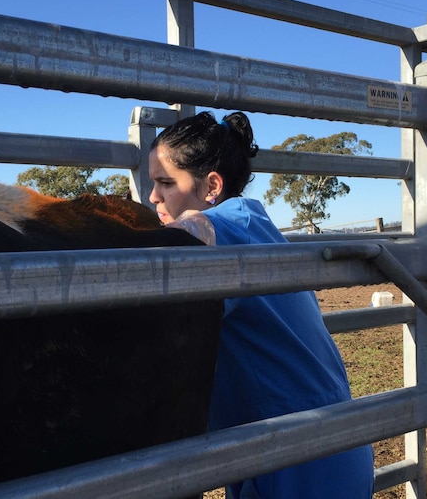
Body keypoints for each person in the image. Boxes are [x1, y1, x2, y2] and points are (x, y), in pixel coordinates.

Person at [148, 111, 375, 499]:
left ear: (211, 186)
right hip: (329, 444)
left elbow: (190, 233)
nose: (153, 196)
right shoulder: (255, 225)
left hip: (296, 461)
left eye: (166, 183)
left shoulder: (218, 228)